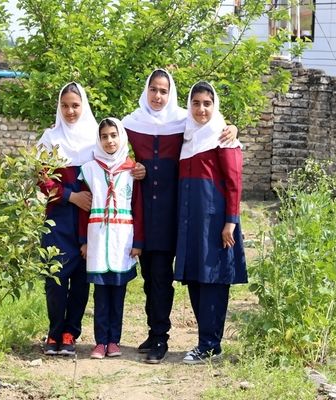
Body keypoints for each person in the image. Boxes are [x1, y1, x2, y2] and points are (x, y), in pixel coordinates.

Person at [122, 69, 238, 364]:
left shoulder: (197, 129)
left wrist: (230, 221)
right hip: (165, 214)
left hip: (201, 217)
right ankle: (164, 334)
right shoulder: (139, 125)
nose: (158, 96)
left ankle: (207, 342)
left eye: (164, 90)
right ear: (146, 91)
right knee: (162, 278)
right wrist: (135, 166)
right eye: (154, 90)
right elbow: (111, 148)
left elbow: (231, 171)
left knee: (205, 276)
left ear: (172, 93)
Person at [175, 81, 247, 365]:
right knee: (195, 278)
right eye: (196, 103)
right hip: (191, 223)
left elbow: (234, 182)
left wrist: (231, 221)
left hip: (216, 223)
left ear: (214, 105)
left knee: (213, 281)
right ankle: (206, 341)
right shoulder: (188, 136)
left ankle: (209, 344)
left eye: (207, 103)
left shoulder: (223, 137)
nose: (201, 109)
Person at [36, 82, 96, 356]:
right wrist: (71, 196)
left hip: (87, 219)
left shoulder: (95, 137)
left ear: (83, 106)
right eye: (65, 105)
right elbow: (42, 179)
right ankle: (54, 331)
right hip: (58, 217)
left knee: (81, 280)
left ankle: (71, 332)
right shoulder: (50, 138)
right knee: (55, 277)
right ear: (58, 108)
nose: (70, 111)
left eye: (75, 105)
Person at [78, 117, 144, 359]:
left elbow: (139, 208)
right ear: (99, 139)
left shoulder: (132, 171)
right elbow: (82, 209)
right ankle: (99, 341)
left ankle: (114, 340)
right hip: (97, 239)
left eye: (113, 135)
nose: (109, 141)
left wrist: (138, 243)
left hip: (122, 240)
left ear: (122, 137)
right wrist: (83, 240)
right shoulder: (90, 169)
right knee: (100, 293)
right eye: (104, 136)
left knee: (118, 292)